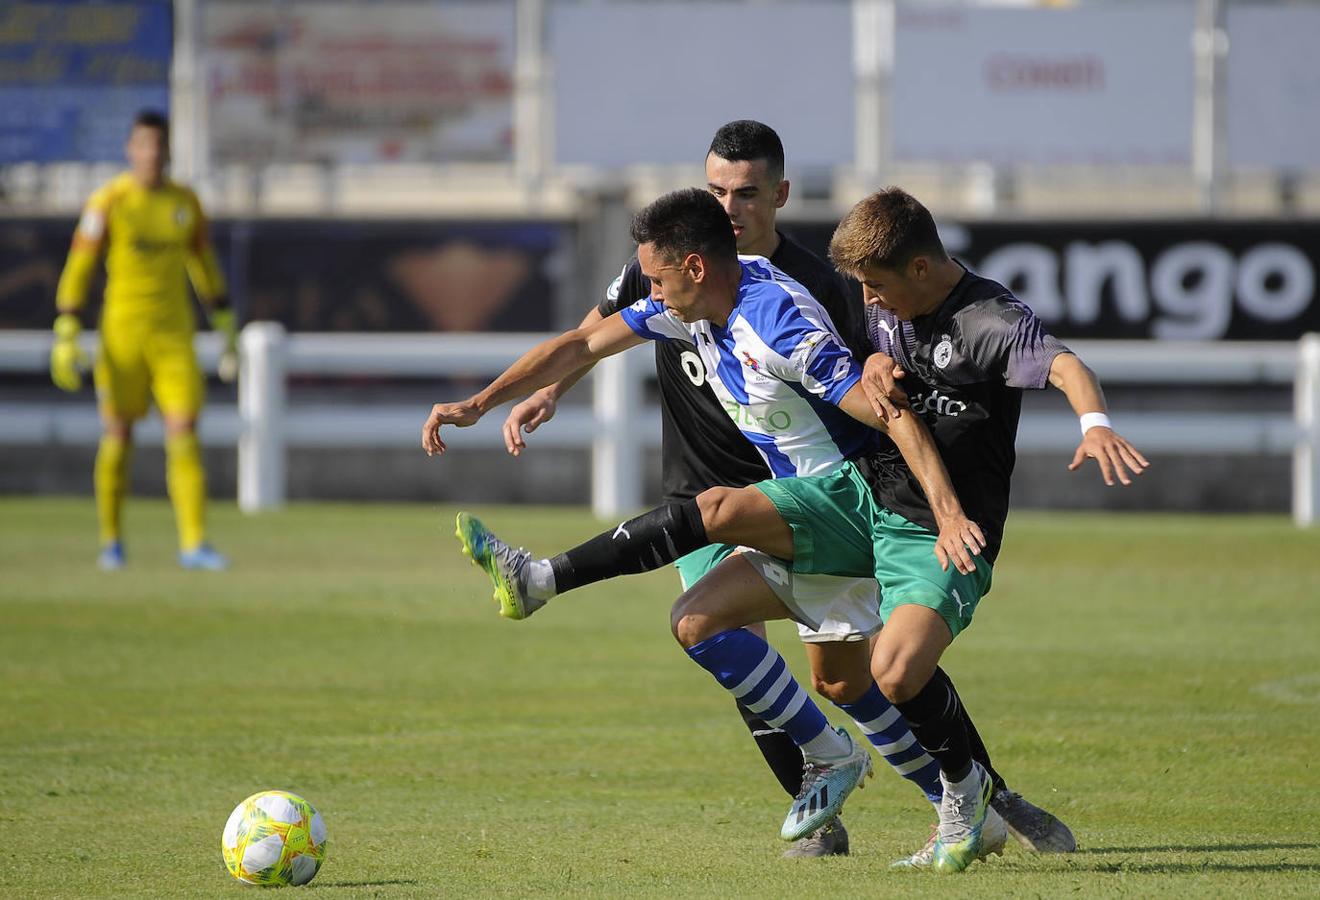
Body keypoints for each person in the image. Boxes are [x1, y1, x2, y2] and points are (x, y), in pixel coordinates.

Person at [449, 187, 1148, 872]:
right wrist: (480, 403)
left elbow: (904, 411)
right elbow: (580, 342)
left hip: (868, 499)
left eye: (657, 279)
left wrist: (961, 503)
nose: (649, 293)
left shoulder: (786, 322)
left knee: (878, 667)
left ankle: (957, 794)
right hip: (825, 502)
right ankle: (927, 786)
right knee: (754, 643)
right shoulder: (689, 308)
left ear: (695, 266)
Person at [50, 110, 235, 571]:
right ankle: (111, 541)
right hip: (123, 336)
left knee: (184, 431)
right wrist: (67, 325)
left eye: (159, 146)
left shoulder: (186, 203)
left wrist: (225, 320)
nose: (151, 154)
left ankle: (193, 544)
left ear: (168, 151)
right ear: (130, 150)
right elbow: (79, 265)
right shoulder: (110, 201)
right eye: (143, 145)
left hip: (173, 337)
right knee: (119, 433)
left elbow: (203, 264)